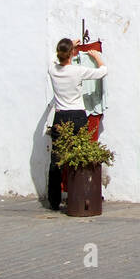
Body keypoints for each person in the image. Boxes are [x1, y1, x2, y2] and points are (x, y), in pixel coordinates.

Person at [47, 38, 107, 211]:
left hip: (60, 117)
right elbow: (103, 71)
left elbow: (53, 58)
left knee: (56, 160)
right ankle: (80, 194)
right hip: (78, 116)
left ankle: (54, 201)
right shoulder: (77, 71)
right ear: (73, 54)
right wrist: (97, 57)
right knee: (79, 156)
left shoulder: (52, 70)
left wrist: (69, 44)